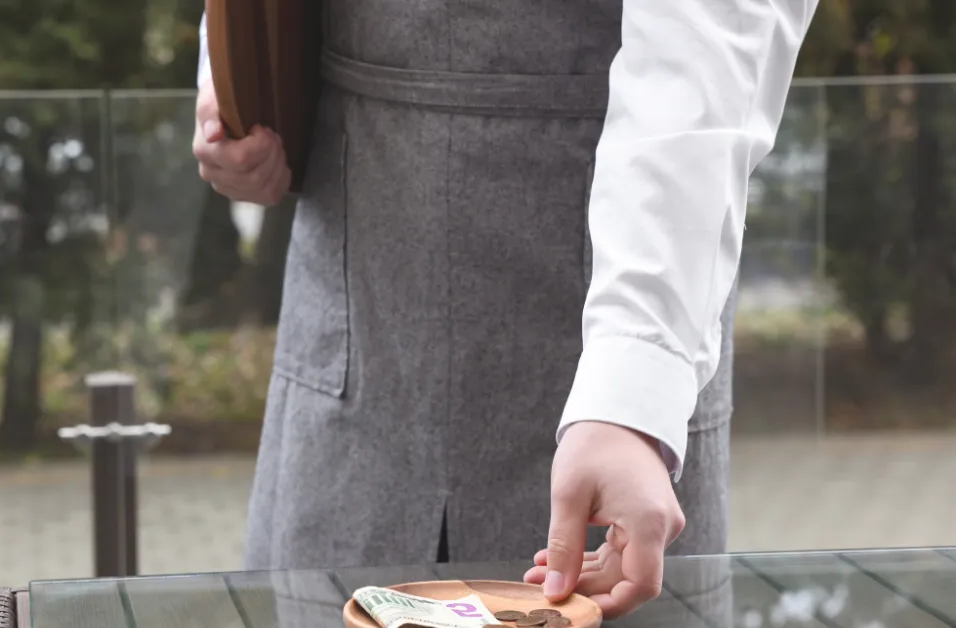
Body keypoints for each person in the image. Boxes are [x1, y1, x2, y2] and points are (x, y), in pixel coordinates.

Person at [193, 0, 818, 618]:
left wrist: (633, 386)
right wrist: (235, 78)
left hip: (616, 345)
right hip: (356, 313)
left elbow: (709, 46)